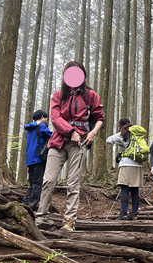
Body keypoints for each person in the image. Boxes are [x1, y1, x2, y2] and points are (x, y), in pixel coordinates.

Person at [35, 61, 104, 231]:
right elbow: (55, 118)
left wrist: (92, 133)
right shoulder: (58, 95)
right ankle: (41, 218)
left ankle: (69, 221)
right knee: (48, 180)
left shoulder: (91, 95)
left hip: (80, 142)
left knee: (73, 182)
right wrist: (70, 131)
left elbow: (99, 117)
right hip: (58, 141)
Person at [106, 117, 144, 220]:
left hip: (126, 164)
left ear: (120, 126)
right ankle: (134, 214)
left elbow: (108, 140)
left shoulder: (122, 135)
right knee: (135, 190)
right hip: (138, 165)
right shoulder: (138, 134)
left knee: (125, 189)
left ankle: (123, 213)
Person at [22, 109, 52, 211]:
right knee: (37, 183)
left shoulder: (29, 128)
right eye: (46, 118)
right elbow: (52, 136)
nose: (47, 120)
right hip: (38, 158)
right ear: (42, 117)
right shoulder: (42, 126)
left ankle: (25, 202)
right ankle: (32, 205)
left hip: (29, 159)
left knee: (32, 182)